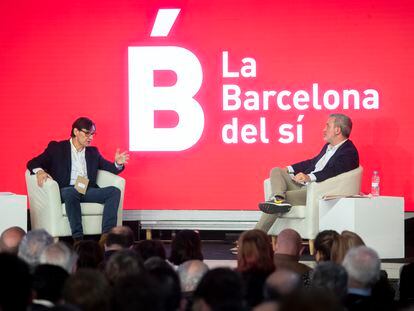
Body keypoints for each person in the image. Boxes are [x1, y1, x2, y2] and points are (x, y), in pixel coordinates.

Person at [27, 117, 129, 241]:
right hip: (66, 190)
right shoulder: (57, 148)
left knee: (114, 191)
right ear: (76, 132)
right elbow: (33, 162)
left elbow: (110, 168)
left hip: (86, 189)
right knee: (71, 192)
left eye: (92, 134)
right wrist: (40, 171)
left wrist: (118, 163)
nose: (90, 137)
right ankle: (78, 239)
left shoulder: (93, 152)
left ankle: (107, 237)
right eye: (87, 133)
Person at [256, 114, 359, 232]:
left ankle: (253, 239)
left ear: (337, 130)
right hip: (304, 186)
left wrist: (309, 177)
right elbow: (312, 162)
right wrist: (290, 168)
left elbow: (333, 172)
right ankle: (278, 197)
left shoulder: (349, 152)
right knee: (276, 170)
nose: (324, 129)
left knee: (283, 199)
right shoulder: (328, 147)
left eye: (327, 126)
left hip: (316, 191)